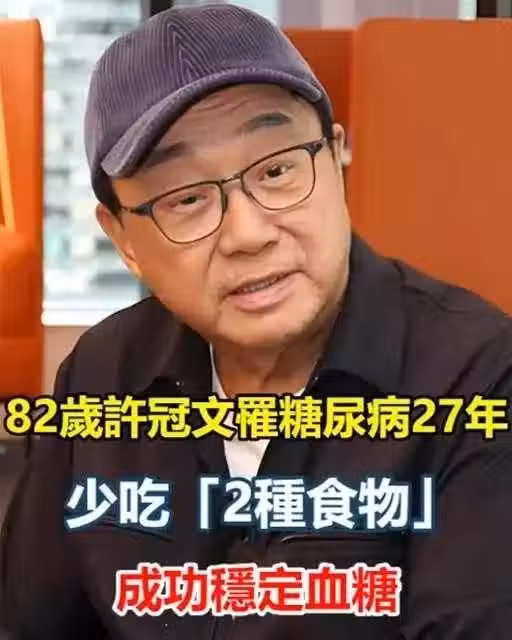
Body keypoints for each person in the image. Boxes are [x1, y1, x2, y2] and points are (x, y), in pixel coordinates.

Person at [1, 4, 512, 639]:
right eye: (187, 198)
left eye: (277, 170)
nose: (248, 233)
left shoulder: (479, 380)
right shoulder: (101, 374)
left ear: (336, 158)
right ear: (123, 239)